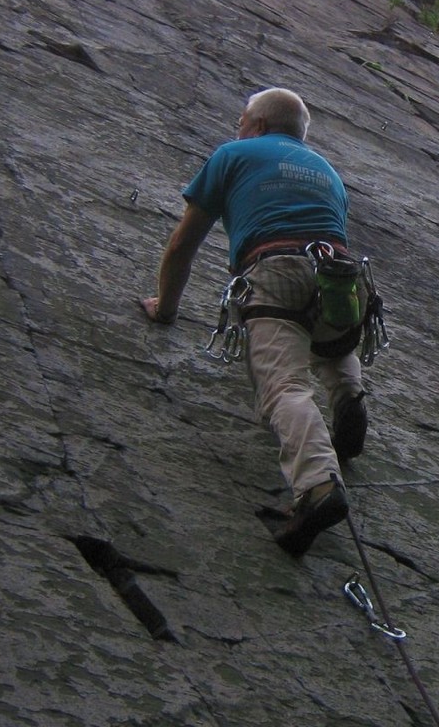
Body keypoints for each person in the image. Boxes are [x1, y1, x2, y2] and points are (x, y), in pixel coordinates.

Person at [141, 87, 369, 556]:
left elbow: (184, 243)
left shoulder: (235, 154)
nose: (238, 127)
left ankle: (319, 485)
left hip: (273, 269)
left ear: (258, 125)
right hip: (342, 275)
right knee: (330, 334)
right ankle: (348, 395)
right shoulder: (327, 171)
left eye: (242, 120)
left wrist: (165, 307)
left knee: (284, 385)